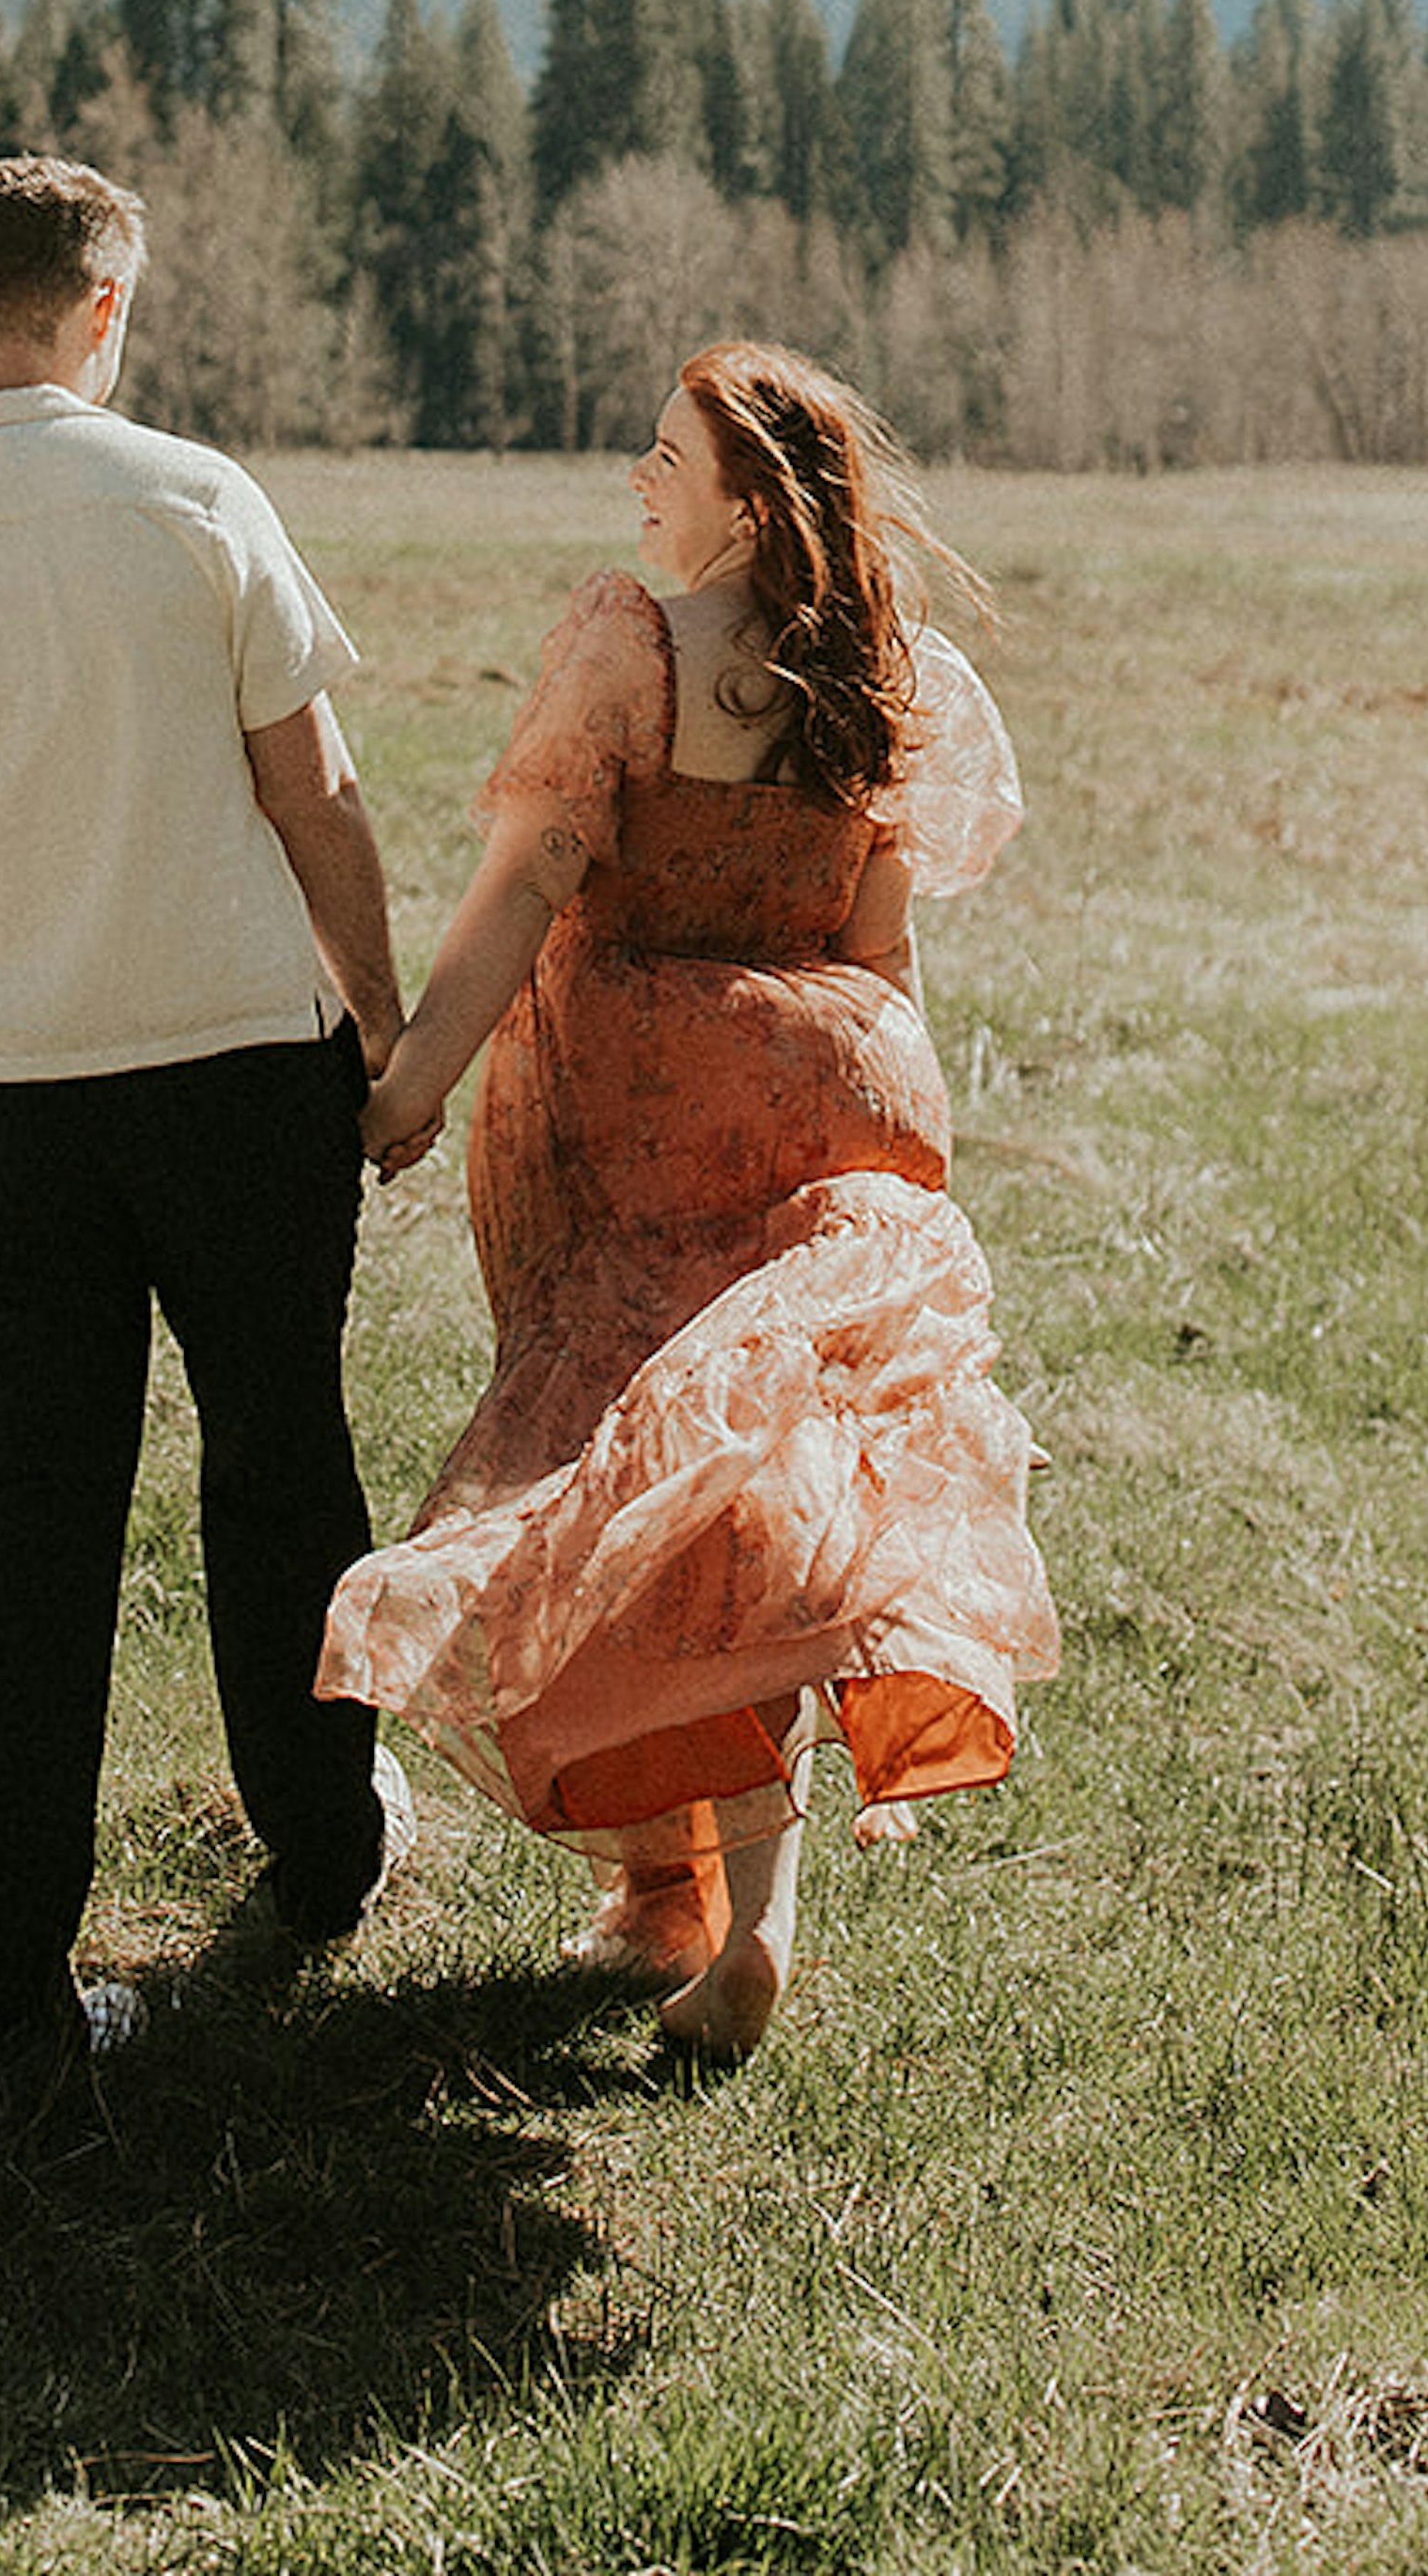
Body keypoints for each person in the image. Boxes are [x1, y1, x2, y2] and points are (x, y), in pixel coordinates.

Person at [0, 149, 411, 2099]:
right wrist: (383, 1030)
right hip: (238, 1083)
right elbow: (322, 803)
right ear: (104, 310)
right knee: (283, 1467)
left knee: (18, 1533)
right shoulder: (197, 501)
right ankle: (324, 1842)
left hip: (2, 1112)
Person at [319, 339, 1057, 2066]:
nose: (637, 480)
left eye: (667, 454)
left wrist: (402, 1088)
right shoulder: (886, 673)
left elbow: (520, 893)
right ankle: (713, 1912)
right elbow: (879, 944)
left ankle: (710, 1903)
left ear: (747, 499)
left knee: (639, 1490)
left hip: (639, 1113)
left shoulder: (631, 654)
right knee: (761, 1489)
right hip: (828, 1095)